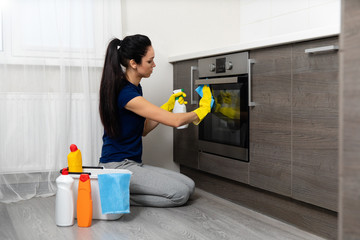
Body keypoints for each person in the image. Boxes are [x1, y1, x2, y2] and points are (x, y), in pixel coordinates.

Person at [98, 34, 212, 207]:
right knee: (180, 194)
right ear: (133, 63)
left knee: (189, 186)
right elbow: (175, 122)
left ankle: (117, 191)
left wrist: (166, 106)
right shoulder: (126, 93)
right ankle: (114, 194)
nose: (154, 65)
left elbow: (142, 130)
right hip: (117, 168)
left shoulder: (135, 87)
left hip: (133, 164)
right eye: (150, 61)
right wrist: (201, 111)